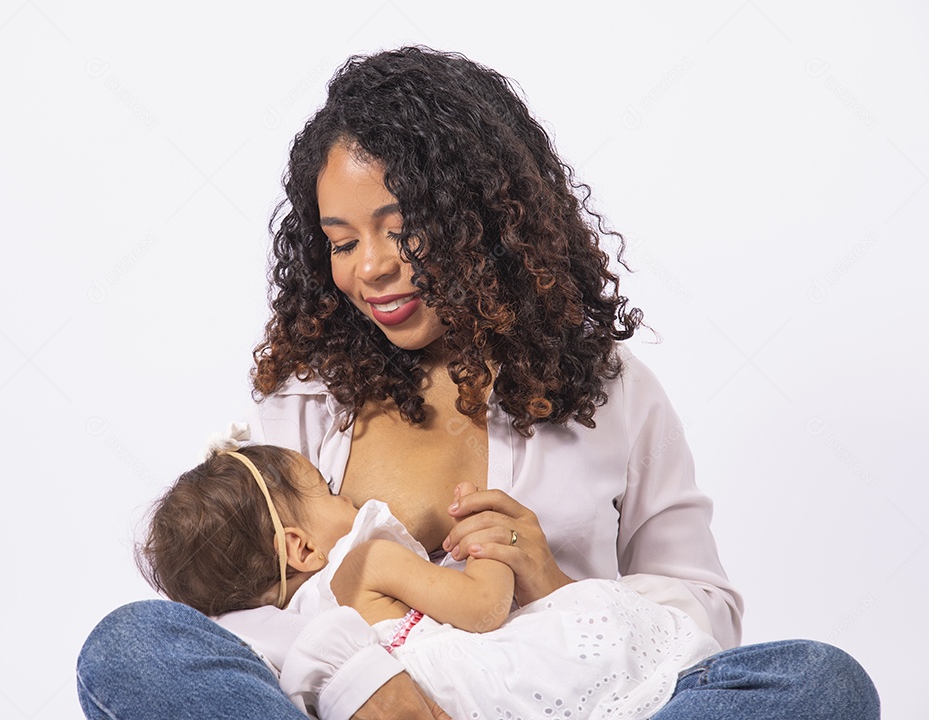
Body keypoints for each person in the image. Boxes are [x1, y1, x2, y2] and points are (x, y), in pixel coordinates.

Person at [77, 46, 879, 719]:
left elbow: (707, 616)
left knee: (820, 683)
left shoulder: (612, 394)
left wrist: (551, 580)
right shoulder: (309, 399)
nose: (372, 268)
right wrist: (375, 689)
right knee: (133, 644)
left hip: (557, 703)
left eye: (399, 229)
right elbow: (244, 612)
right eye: (342, 241)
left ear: (483, 219)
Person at [138, 427, 724, 720]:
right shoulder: (362, 560)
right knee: (127, 643)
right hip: (465, 692)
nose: (345, 494)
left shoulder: (277, 631)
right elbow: (482, 611)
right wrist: (486, 548)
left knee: (804, 673)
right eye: (327, 489)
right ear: (299, 546)